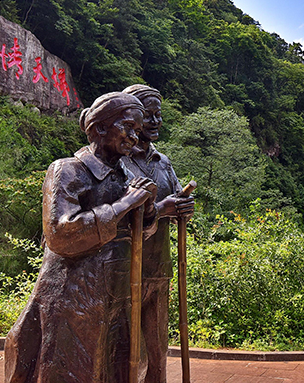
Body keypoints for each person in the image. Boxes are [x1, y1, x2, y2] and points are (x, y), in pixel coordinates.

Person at [4, 92, 158, 383]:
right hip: (73, 296)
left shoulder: (127, 176)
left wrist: (146, 209)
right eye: (127, 127)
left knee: (120, 370)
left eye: (137, 132)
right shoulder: (68, 170)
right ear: (100, 128)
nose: (134, 138)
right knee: (72, 372)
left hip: (118, 294)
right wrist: (124, 204)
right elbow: (61, 234)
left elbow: (142, 235)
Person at [121, 84, 194, 383]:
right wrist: (163, 208)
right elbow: (119, 212)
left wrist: (184, 206)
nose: (155, 122)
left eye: (158, 115)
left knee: (157, 348)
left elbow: (176, 199)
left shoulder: (163, 162)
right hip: (124, 269)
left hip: (159, 266)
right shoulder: (118, 160)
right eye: (148, 116)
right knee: (126, 349)